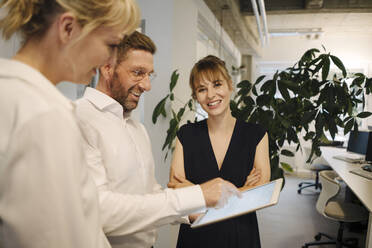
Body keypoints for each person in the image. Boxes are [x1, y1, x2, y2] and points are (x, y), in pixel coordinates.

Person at [75, 31, 240, 248]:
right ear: (107, 68)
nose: (147, 85)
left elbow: (150, 193)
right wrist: (198, 195)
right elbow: (100, 211)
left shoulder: (137, 129)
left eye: (149, 75)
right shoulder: (79, 118)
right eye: (137, 73)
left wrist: (191, 213)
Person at [0, 0, 139, 247]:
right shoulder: (44, 115)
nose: (111, 60)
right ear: (67, 28)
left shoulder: (11, 92)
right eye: (111, 45)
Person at [168, 55, 271, 248]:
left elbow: (259, 194)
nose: (210, 95)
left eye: (217, 84)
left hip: (241, 235)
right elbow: (175, 187)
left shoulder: (256, 135)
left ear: (230, 85)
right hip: (196, 236)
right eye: (201, 89)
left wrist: (196, 193)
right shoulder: (186, 135)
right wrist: (241, 192)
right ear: (195, 96)